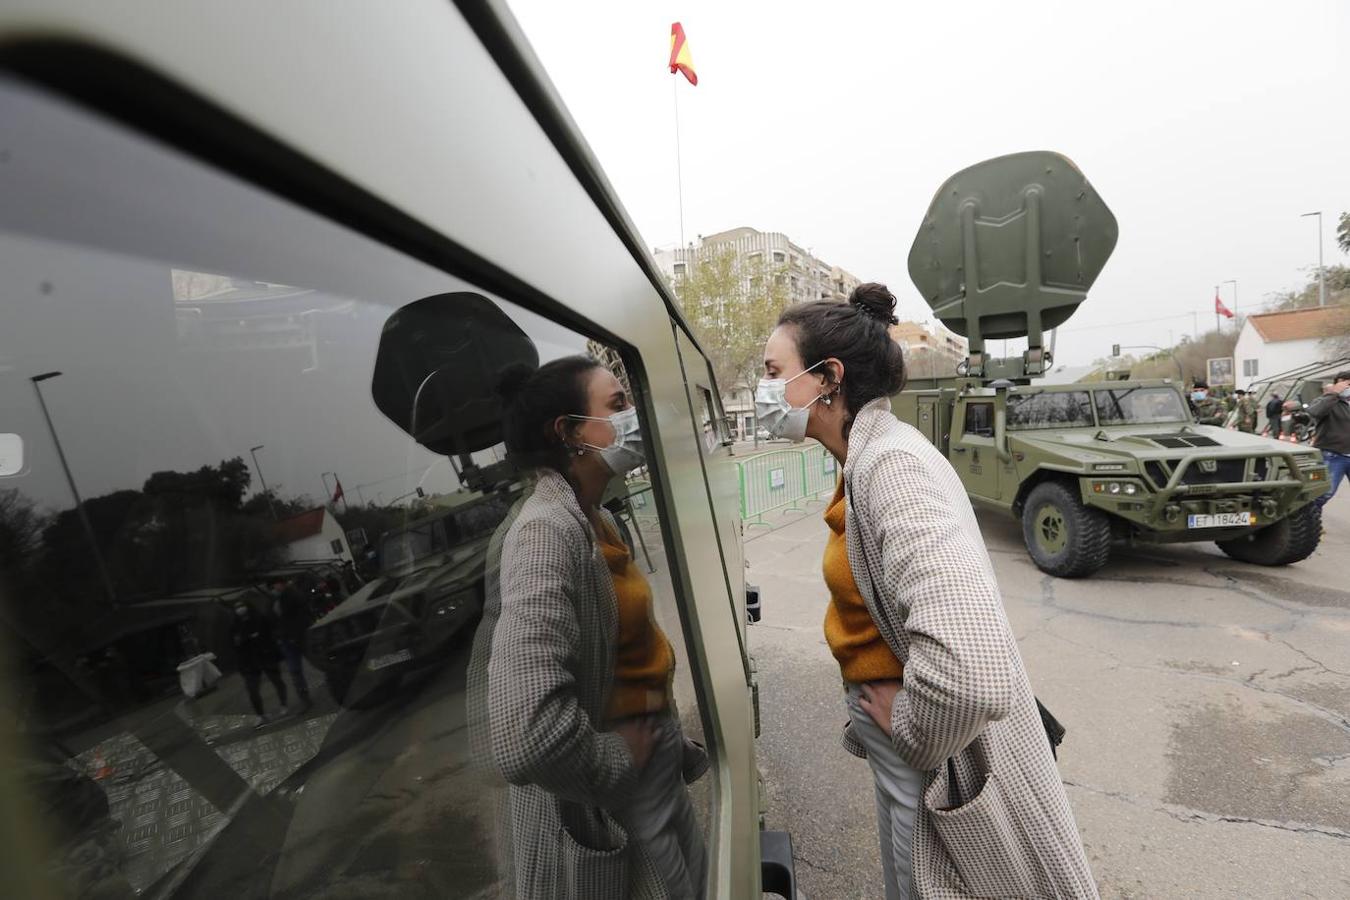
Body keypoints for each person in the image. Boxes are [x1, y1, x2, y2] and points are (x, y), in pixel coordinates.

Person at [756, 283, 1096, 899]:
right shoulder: (870, 457)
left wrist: (909, 730)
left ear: (827, 377)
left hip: (927, 743)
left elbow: (972, 672)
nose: (764, 390)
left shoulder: (891, 467)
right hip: (908, 735)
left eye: (774, 372)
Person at [476, 356, 707, 900]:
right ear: (571, 434)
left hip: (655, 768)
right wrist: (621, 758)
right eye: (619, 405)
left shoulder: (591, 516)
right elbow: (522, 738)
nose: (635, 415)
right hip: (627, 793)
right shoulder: (544, 534)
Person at [231, 600, 287, 728]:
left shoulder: (259, 618)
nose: (240, 609)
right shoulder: (235, 625)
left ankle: (283, 704)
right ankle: (260, 715)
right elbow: (235, 644)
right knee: (252, 690)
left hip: (265, 655)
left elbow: (268, 635)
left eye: (242, 606)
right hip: (249, 661)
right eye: (237, 607)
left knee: (276, 681)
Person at [269, 578, 313, 711]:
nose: (274, 588)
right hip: (286, 640)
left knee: (316, 660)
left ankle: (338, 682)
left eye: (276, 584)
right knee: (294, 671)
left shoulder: (293, 595)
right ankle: (304, 699)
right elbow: (272, 620)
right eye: (272, 586)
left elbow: (302, 615)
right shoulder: (274, 601)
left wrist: (296, 633)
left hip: (300, 636)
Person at [1308, 371, 1350, 507]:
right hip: (1333, 455)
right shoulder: (1326, 401)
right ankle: (1310, 523)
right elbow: (1314, 412)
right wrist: (1334, 393)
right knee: (1324, 493)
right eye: (1345, 383)